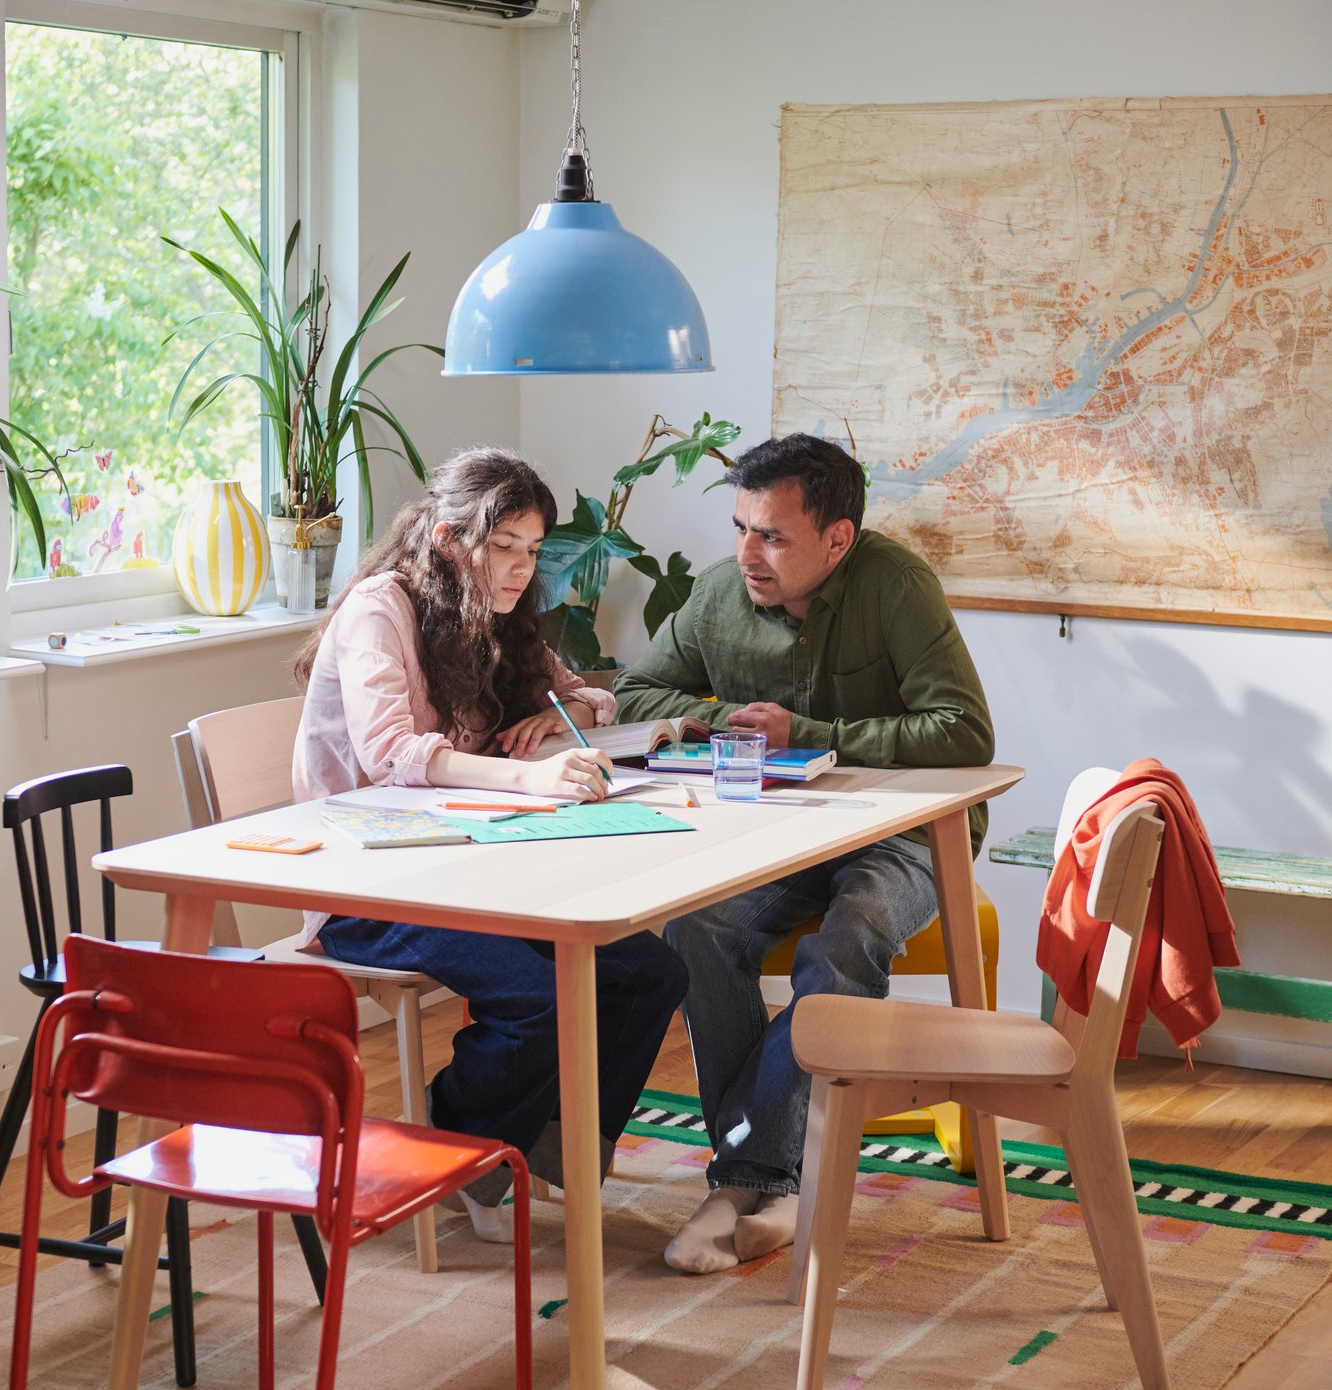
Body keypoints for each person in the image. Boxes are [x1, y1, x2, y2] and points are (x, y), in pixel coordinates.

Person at [613, 433, 994, 1274]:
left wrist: (812, 735)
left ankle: (749, 1175)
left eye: (774, 536)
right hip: (784, 835)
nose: (749, 552)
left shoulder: (898, 587)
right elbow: (637, 692)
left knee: (847, 938)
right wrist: (717, 717)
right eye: (742, 526)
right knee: (697, 926)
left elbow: (964, 731)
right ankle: (767, 1182)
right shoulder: (720, 594)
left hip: (910, 832)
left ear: (837, 539)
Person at [293, 448, 689, 1241]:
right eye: (504, 544)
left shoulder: (494, 616)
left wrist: (561, 710)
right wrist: (531, 781)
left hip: (472, 871)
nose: (520, 567)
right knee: (534, 994)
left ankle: (543, 1151)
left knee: (651, 970)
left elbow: (591, 691)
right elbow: (389, 754)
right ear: (447, 538)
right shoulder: (383, 607)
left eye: (534, 549)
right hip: (367, 885)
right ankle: (460, 1141)